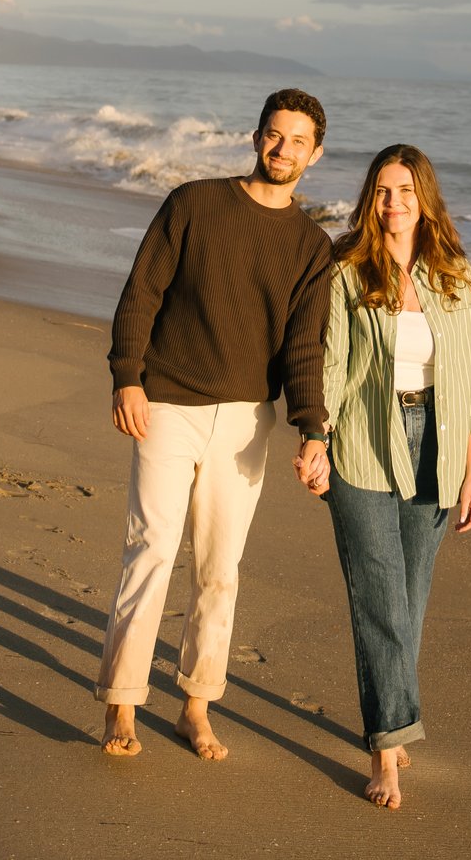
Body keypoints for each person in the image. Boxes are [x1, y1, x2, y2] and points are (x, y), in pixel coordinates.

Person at [98, 89, 335, 761]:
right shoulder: (194, 203)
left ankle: (196, 706)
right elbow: (141, 291)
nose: (283, 149)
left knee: (219, 567)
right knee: (150, 550)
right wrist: (126, 375)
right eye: (274, 135)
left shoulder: (312, 247)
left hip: (246, 420)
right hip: (168, 404)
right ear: (256, 137)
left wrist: (312, 428)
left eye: (297, 141)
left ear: (315, 154)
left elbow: (304, 346)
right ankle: (121, 704)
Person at [299, 142, 471, 809]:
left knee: (410, 598)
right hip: (362, 441)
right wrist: (315, 439)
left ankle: (394, 713)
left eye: (406, 190)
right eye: (383, 190)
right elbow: (330, 363)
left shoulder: (456, 276)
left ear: (424, 198)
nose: (393, 202)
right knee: (379, 597)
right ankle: (387, 748)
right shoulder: (349, 271)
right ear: (369, 199)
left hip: (436, 442)